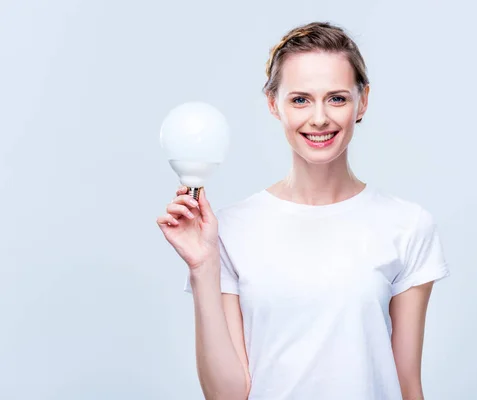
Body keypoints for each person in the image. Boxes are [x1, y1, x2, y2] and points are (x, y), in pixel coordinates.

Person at [157, 21, 450, 400]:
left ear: (362, 101)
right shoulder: (229, 230)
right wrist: (202, 268)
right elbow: (227, 394)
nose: (319, 118)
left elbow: (407, 385)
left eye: (337, 98)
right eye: (300, 99)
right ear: (272, 103)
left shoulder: (408, 226)